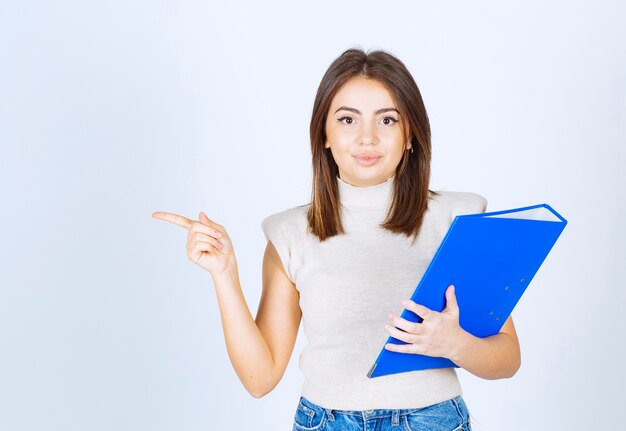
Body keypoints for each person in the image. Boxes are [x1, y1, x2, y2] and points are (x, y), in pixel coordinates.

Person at [152, 48, 521, 431]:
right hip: (325, 422)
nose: (367, 138)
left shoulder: (459, 221)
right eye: (347, 119)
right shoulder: (289, 234)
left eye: (387, 120)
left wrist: (454, 345)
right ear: (324, 135)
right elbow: (259, 379)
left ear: (410, 134)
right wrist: (224, 273)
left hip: (432, 420)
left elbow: (508, 357)